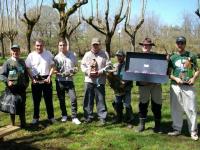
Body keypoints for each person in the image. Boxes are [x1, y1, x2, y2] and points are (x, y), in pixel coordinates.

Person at [167, 36, 199, 141]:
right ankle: (177, 129)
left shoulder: (191, 56)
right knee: (176, 108)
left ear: (185, 44)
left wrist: (194, 78)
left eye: (182, 43)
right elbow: (168, 73)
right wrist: (176, 78)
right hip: (175, 86)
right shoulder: (172, 58)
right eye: (178, 43)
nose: (180, 45)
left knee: (191, 109)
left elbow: (197, 70)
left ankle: (193, 131)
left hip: (188, 86)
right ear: (176, 44)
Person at [81, 37, 110, 125]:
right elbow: (82, 65)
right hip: (89, 80)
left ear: (99, 45)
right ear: (91, 45)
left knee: (100, 99)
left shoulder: (104, 54)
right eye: (94, 44)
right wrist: (88, 71)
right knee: (88, 99)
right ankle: (88, 116)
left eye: (97, 44)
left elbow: (109, 66)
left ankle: (102, 117)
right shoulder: (87, 54)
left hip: (100, 80)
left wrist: (100, 72)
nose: (95, 46)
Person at [25, 39, 55, 124]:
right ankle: (35, 118)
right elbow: (27, 68)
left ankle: (51, 117)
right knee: (36, 100)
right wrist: (32, 79)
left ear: (43, 45)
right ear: (35, 46)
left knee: (48, 100)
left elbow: (53, 66)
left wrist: (49, 76)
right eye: (37, 45)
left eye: (41, 45)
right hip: (35, 80)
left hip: (46, 79)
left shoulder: (48, 54)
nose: (39, 47)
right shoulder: (31, 55)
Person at [136, 38, 163, 133]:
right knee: (143, 104)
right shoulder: (137, 57)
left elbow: (162, 69)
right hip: (143, 85)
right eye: (144, 45)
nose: (145, 46)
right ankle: (141, 125)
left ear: (151, 46)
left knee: (157, 104)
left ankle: (158, 125)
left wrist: (166, 60)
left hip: (155, 84)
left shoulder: (156, 56)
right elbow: (134, 71)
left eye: (147, 45)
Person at [0, 44, 29, 128]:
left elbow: (25, 73)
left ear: (19, 51)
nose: (15, 52)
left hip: (22, 88)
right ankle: (13, 124)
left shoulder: (22, 61)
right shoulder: (7, 62)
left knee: (22, 105)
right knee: (12, 106)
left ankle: (23, 123)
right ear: (11, 52)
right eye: (13, 50)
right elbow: (1, 75)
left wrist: (27, 82)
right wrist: (7, 81)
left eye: (17, 50)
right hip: (12, 89)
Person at [54, 39, 81, 125]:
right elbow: (54, 70)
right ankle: (64, 115)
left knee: (73, 98)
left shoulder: (72, 55)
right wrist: (58, 73)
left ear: (66, 46)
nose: (62, 47)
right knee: (61, 99)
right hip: (59, 81)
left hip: (69, 81)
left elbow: (77, 67)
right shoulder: (56, 57)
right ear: (58, 46)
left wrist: (74, 72)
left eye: (64, 45)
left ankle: (74, 117)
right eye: (60, 45)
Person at [111, 50, 134, 126]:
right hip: (117, 89)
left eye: (120, 56)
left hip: (126, 88)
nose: (119, 57)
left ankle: (129, 120)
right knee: (117, 103)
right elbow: (112, 77)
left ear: (124, 57)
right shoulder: (114, 65)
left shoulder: (128, 65)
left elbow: (131, 76)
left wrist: (125, 83)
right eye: (117, 56)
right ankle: (119, 117)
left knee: (127, 104)